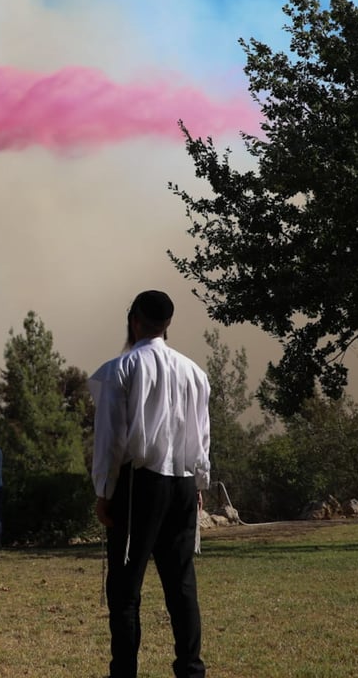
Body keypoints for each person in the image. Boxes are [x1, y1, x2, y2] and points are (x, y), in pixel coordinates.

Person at [87, 290, 211, 678]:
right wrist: (200, 484)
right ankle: (191, 670)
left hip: (139, 485)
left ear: (134, 320)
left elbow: (111, 441)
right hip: (183, 484)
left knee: (125, 590)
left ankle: (123, 673)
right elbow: (201, 435)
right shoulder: (194, 371)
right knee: (181, 586)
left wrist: (104, 492)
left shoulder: (119, 369)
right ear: (168, 324)